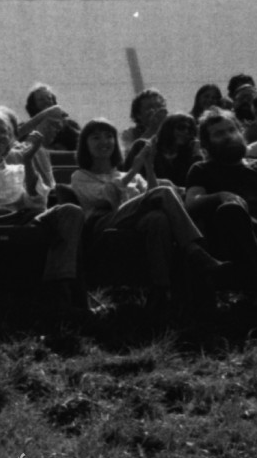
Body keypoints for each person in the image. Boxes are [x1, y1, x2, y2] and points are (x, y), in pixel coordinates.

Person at [72, 118, 221, 322]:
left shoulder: (125, 173)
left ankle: (161, 293)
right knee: (164, 193)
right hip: (105, 224)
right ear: (85, 145)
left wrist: (149, 168)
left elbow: (154, 197)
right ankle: (194, 248)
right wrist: (135, 168)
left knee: (157, 218)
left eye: (108, 136)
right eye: (95, 137)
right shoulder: (80, 176)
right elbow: (104, 198)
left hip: (138, 221)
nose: (104, 141)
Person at [0, 107, 84, 317]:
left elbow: (37, 205)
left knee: (70, 212)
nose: (0, 136)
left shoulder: (18, 170)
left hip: (19, 220)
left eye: (4, 132)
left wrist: (28, 161)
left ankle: (60, 290)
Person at [184, 108, 257, 309]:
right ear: (207, 143)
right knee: (231, 210)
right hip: (234, 235)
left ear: (241, 132)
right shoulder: (202, 170)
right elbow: (192, 202)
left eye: (231, 130)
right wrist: (221, 196)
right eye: (219, 134)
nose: (228, 136)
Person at [19, 83, 80, 153]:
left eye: (49, 98)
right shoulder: (25, 128)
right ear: (33, 105)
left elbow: (82, 144)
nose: (47, 102)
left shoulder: (70, 124)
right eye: (41, 99)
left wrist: (66, 127)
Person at [121, 89, 168, 164]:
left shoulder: (173, 130)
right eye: (149, 107)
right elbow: (129, 158)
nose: (156, 110)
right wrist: (152, 129)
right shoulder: (130, 133)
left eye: (159, 106)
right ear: (138, 114)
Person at [229, 74, 257, 142]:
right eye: (241, 96)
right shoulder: (227, 121)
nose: (245, 100)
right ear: (232, 96)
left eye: (250, 95)